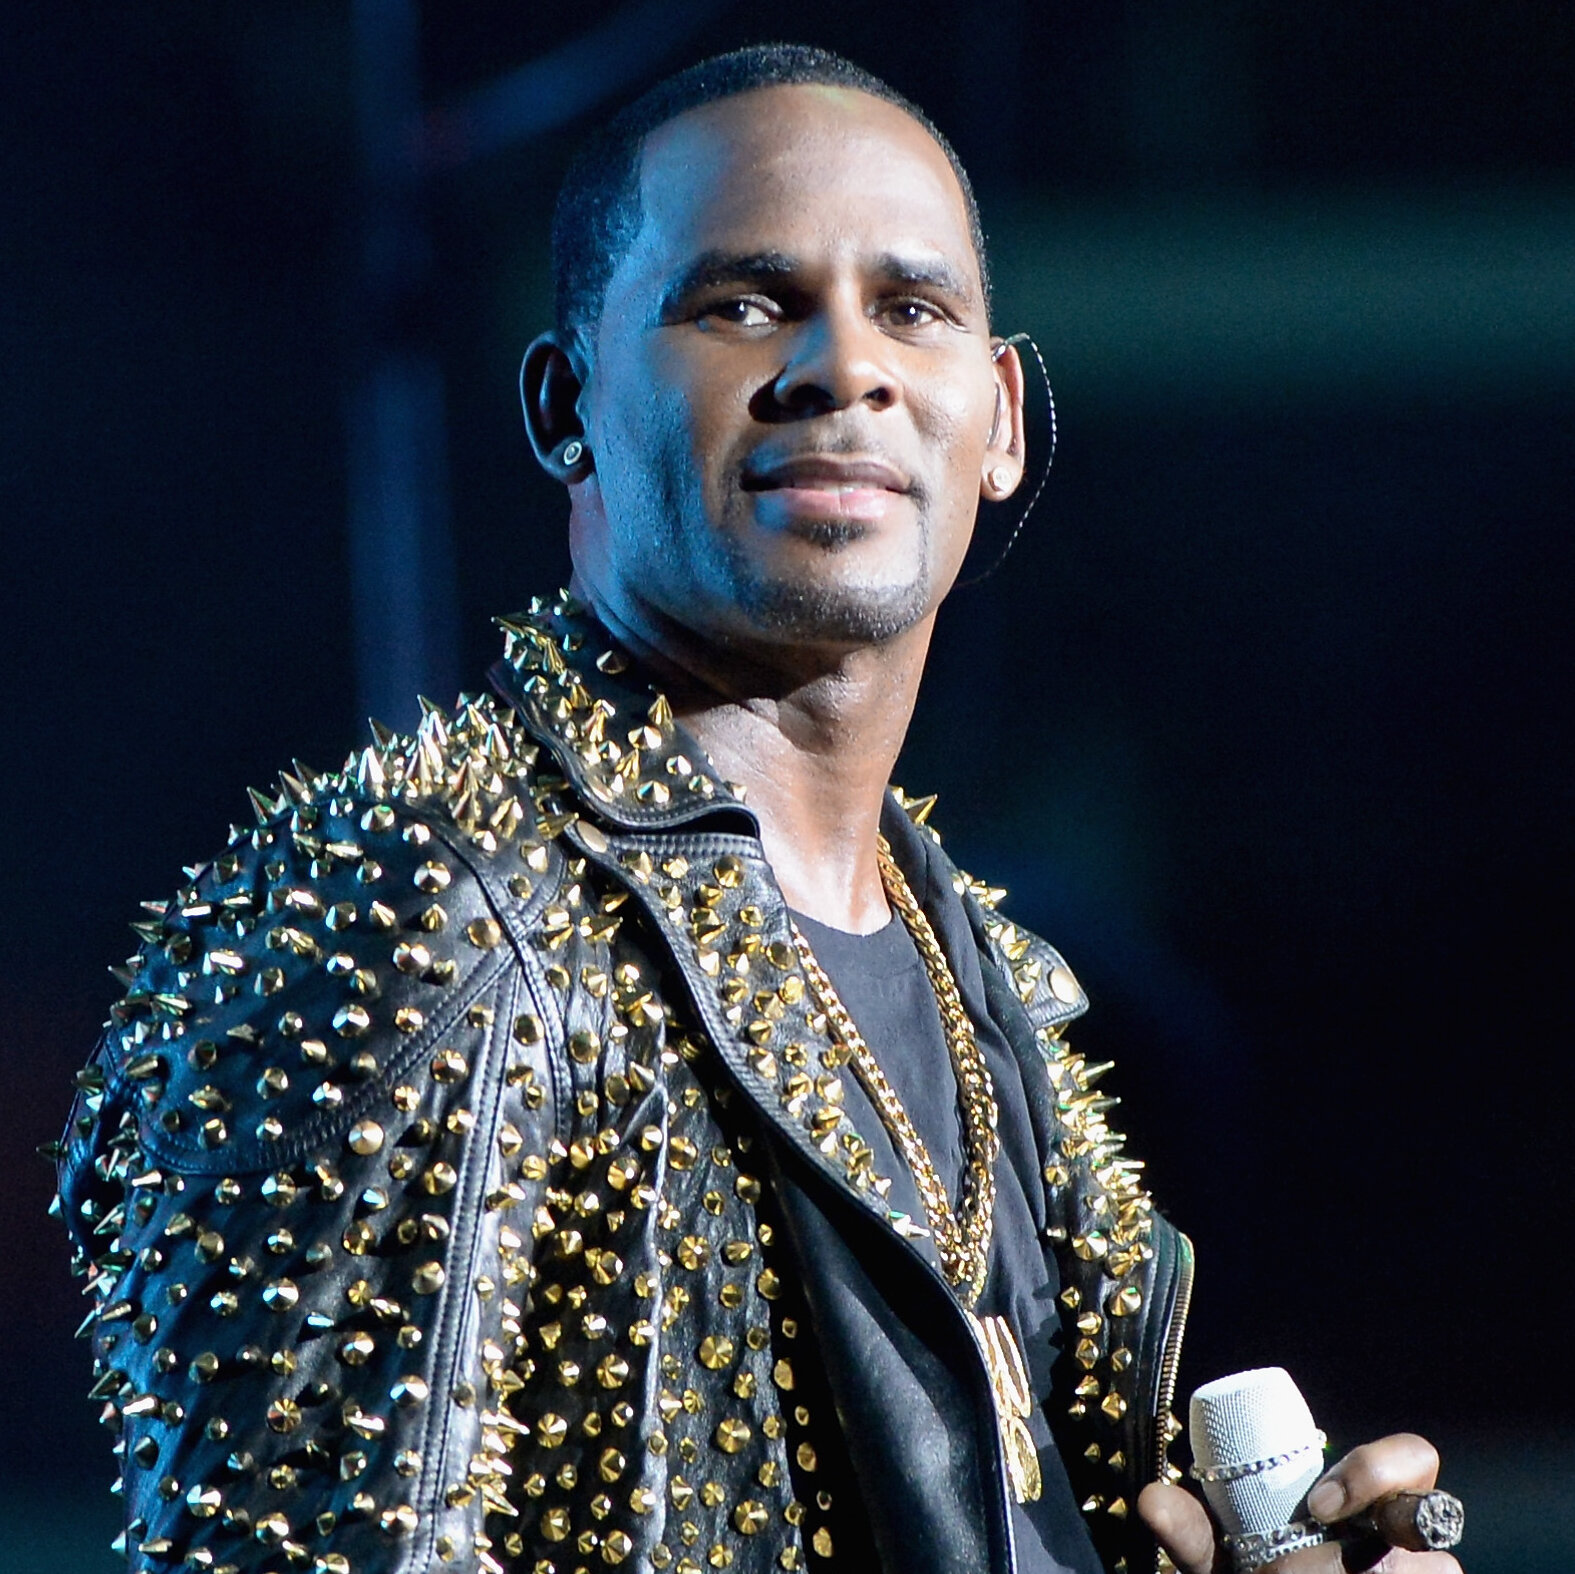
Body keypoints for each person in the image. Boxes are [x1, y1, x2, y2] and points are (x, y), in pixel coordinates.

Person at [56, 44, 1458, 1574]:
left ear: (1000, 419)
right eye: (743, 304)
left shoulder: (997, 992)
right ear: (566, 401)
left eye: (910, 308)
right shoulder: (411, 912)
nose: (843, 365)